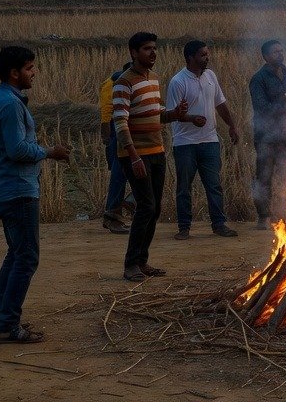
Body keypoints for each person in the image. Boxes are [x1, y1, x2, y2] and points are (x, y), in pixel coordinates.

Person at [0, 46, 70, 343]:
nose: (34, 73)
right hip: (18, 190)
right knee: (27, 258)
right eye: (30, 68)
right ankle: (8, 325)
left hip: (7, 189)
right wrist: (50, 152)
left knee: (16, 254)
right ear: (14, 73)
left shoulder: (4, 99)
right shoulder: (9, 104)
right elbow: (17, 149)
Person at [114, 32, 186, 282]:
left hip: (157, 151)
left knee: (153, 209)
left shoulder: (153, 79)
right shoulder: (124, 82)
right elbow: (120, 121)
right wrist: (133, 155)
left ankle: (142, 261)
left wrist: (174, 114)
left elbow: (156, 113)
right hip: (136, 154)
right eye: (147, 49)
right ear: (134, 53)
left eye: (155, 48)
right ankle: (130, 264)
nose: (153, 53)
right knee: (146, 207)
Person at [168, 39, 242, 240]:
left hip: (210, 140)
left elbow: (221, 104)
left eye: (207, 54)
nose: (207, 58)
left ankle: (219, 224)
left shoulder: (210, 76)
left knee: (214, 185)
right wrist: (191, 119)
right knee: (184, 186)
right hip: (185, 143)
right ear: (190, 58)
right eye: (202, 55)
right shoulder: (178, 82)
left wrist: (232, 125)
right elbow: (172, 113)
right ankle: (184, 227)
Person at [249, 39, 286, 230]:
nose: (280, 54)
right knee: (264, 177)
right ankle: (263, 216)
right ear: (266, 57)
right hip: (266, 137)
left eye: (281, 51)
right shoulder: (258, 79)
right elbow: (262, 108)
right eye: (275, 52)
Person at [97, 62, 133, 234]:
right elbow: (107, 111)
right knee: (119, 174)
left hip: (129, 129)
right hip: (117, 131)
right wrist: (107, 135)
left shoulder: (128, 80)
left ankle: (127, 204)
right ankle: (114, 214)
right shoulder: (113, 83)